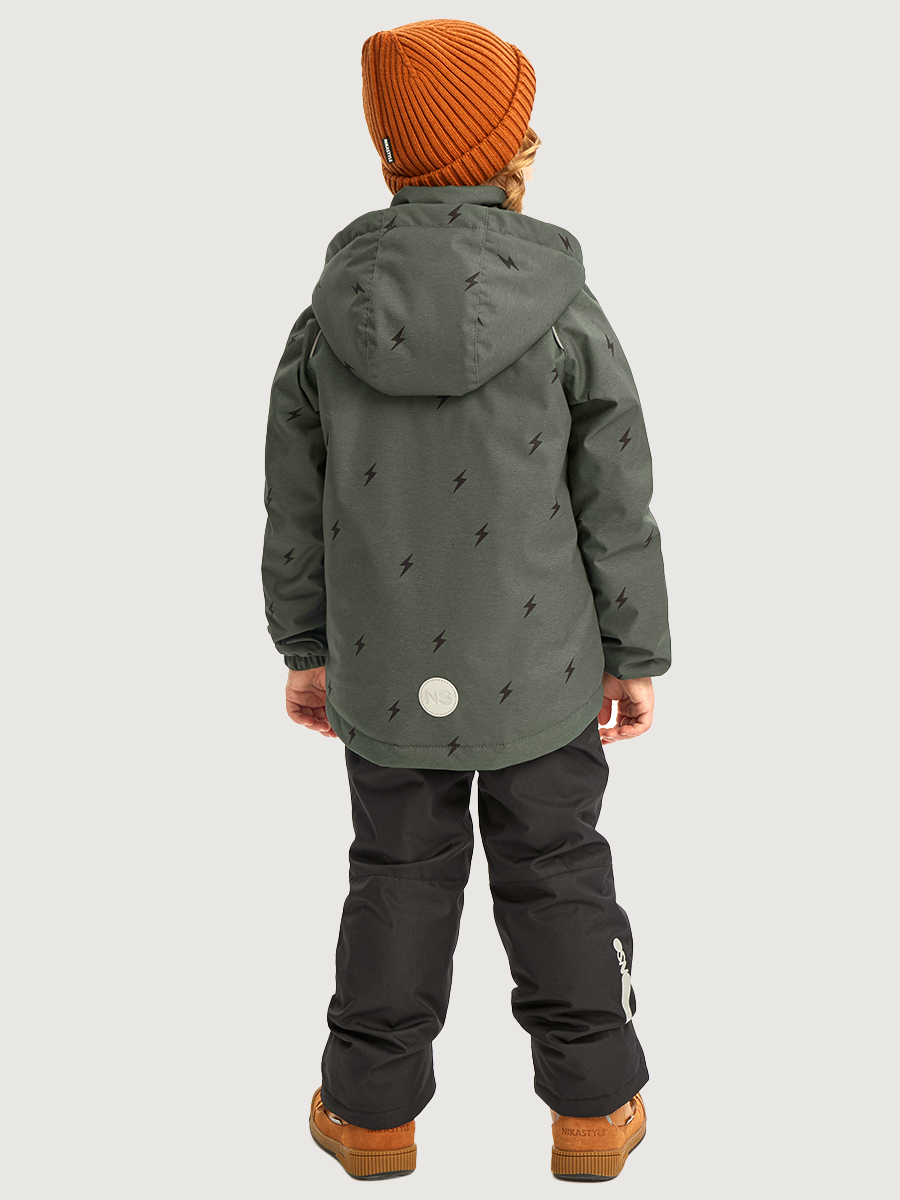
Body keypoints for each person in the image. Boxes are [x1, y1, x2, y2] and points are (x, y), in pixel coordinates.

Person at [262, 18, 671, 1183]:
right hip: (544, 668)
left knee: (396, 876)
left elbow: (294, 503)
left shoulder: (328, 316)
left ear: (390, 152)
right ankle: (595, 1112)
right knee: (558, 870)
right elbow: (616, 494)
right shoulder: (564, 308)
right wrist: (633, 651)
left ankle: (369, 1117)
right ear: (509, 148)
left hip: (387, 665)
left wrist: (305, 646)